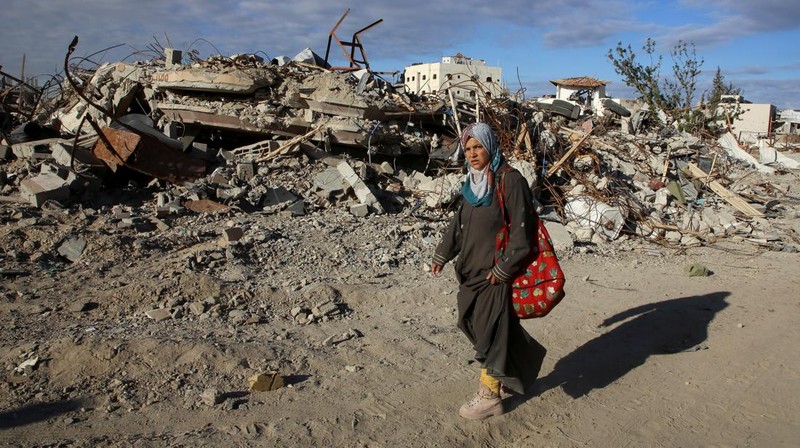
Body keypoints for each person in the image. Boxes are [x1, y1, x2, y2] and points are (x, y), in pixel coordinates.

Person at [431, 122, 547, 420]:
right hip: (471, 273)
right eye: (468, 148)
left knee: (490, 333)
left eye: (478, 147)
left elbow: (524, 231)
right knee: (470, 321)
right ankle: (516, 370)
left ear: (491, 147)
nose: (472, 153)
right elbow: (459, 225)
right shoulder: (472, 184)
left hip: (495, 275)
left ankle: (489, 395)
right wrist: (442, 254)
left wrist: (504, 269)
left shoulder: (510, 181)